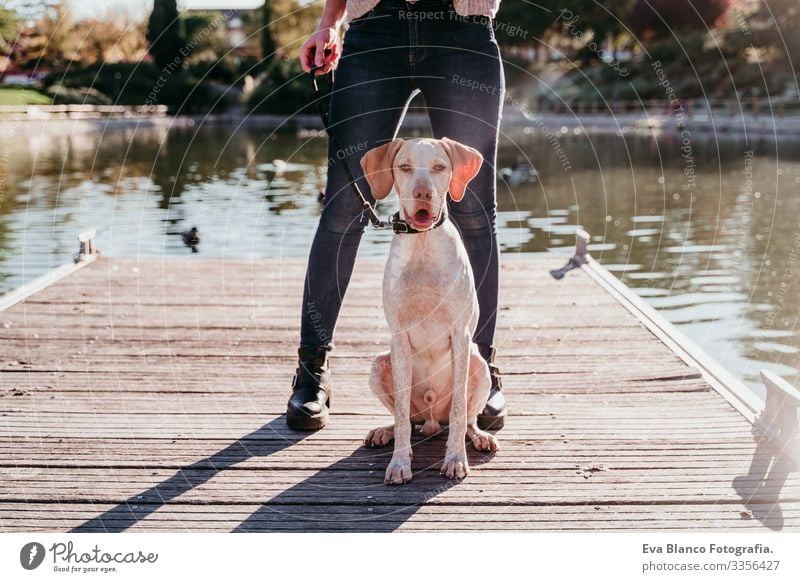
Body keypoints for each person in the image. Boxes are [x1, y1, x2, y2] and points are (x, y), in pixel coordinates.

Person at [287, 0, 506, 431]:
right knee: (343, 207)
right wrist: (330, 22)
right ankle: (312, 369)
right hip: (376, 29)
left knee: (475, 211)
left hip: (463, 28)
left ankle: (483, 368)